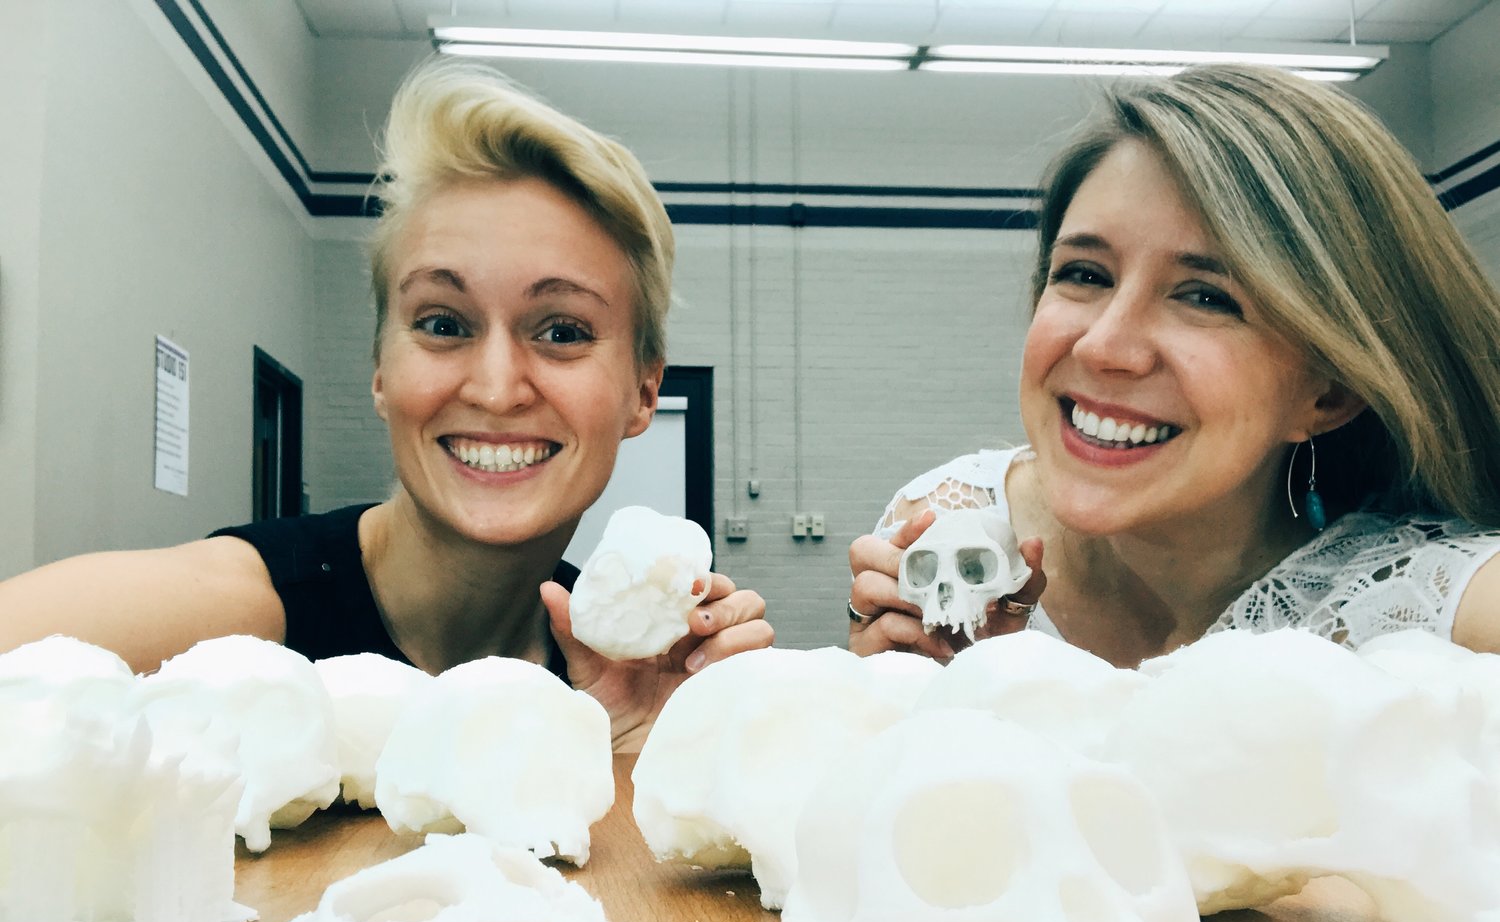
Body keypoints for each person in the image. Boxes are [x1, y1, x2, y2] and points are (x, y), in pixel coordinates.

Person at [0, 59, 772, 752]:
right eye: (443, 324)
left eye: (562, 331)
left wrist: (640, 755)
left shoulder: (615, 666)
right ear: (379, 370)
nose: (497, 388)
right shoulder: (234, 614)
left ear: (643, 392)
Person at [848, 64, 1500, 669]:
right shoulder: (946, 527)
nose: (1103, 346)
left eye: (1206, 297)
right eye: (1084, 274)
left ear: (1328, 394)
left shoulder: (1446, 617)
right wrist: (900, 699)